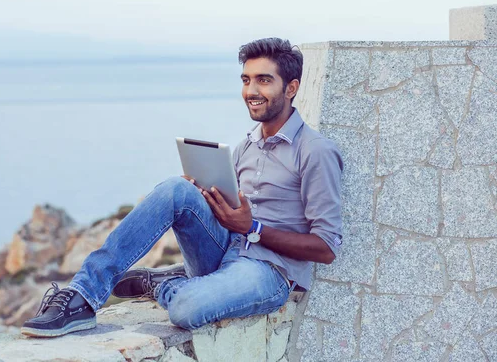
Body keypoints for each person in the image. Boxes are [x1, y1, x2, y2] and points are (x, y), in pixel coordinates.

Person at [21, 37, 344, 338]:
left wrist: (254, 228)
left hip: (270, 272)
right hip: (226, 249)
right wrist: (203, 193)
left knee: (185, 308)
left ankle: (164, 284)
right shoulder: (247, 145)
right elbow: (229, 211)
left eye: (263, 80)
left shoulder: (315, 151)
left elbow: (326, 248)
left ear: (291, 88)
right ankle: (82, 295)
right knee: (177, 188)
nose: (251, 90)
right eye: (246, 80)